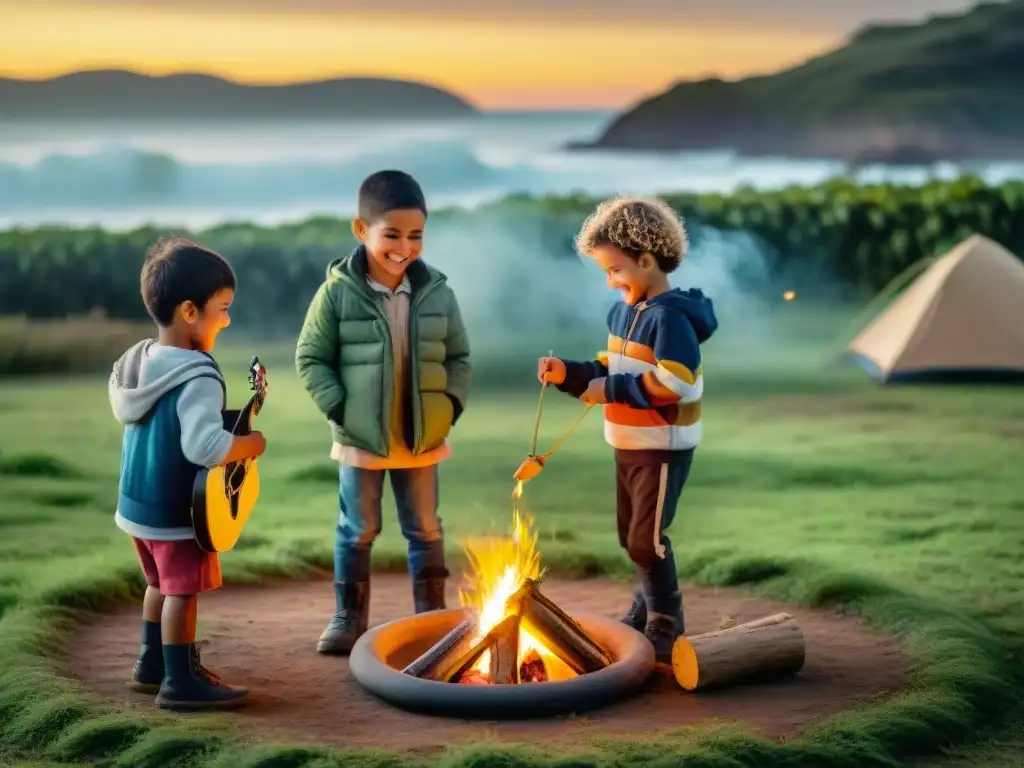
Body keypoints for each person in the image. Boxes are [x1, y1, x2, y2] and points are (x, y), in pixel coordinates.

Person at [295, 169, 471, 655]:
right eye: (391, 234)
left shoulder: (438, 293)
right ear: (361, 229)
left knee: (426, 528)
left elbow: (458, 357)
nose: (404, 247)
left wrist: (450, 407)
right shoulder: (336, 293)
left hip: (422, 438)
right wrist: (339, 408)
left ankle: (432, 618)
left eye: (416, 235)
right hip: (361, 439)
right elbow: (310, 357)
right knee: (357, 528)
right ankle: (348, 618)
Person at [537, 196, 718, 662]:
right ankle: (645, 606)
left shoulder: (670, 318)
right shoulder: (623, 313)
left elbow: (675, 383)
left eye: (615, 270)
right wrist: (568, 374)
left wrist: (612, 388)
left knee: (646, 539)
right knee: (631, 537)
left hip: (662, 445)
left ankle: (665, 620)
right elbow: (610, 368)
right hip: (628, 441)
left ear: (647, 260)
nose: (610, 281)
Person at [109, 235, 266, 710]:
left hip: (137, 507)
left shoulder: (138, 362)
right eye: (223, 309)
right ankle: (180, 682)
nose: (227, 319)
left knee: (158, 584)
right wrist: (251, 444)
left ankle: (150, 664)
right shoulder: (197, 375)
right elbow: (204, 446)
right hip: (177, 513)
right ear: (189, 311)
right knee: (182, 592)